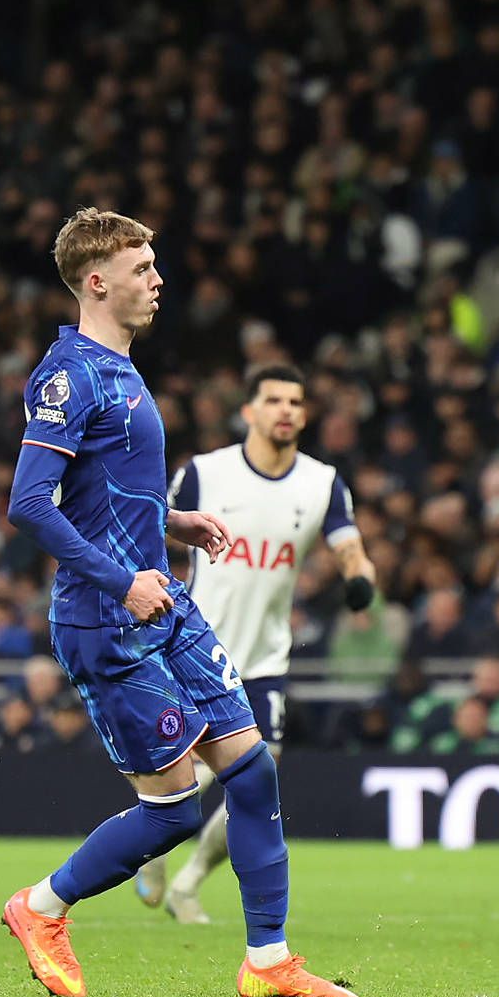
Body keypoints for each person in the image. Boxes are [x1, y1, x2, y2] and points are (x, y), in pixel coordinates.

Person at [0, 208, 355, 997]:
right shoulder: (71, 376)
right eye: (142, 269)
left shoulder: (120, 367)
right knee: (173, 812)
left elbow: (102, 494)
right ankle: (41, 906)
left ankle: (269, 962)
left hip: (165, 605)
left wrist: (170, 520)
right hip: (108, 617)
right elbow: (29, 503)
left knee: (254, 772)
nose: (157, 280)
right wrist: (121, 579)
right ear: (98, 281)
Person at [133, 364, 374, 924]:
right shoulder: (205, 473)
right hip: (194, 646)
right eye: (274, 400)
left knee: (256, 773)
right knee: (186, 777)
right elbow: (150, 525)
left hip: (265, 657)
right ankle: (151, 841)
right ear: (249, 411)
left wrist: (361, 579)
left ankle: (189, 883)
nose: (286, 409)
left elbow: (350, 546)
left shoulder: (321, 482)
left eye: (296, 401)